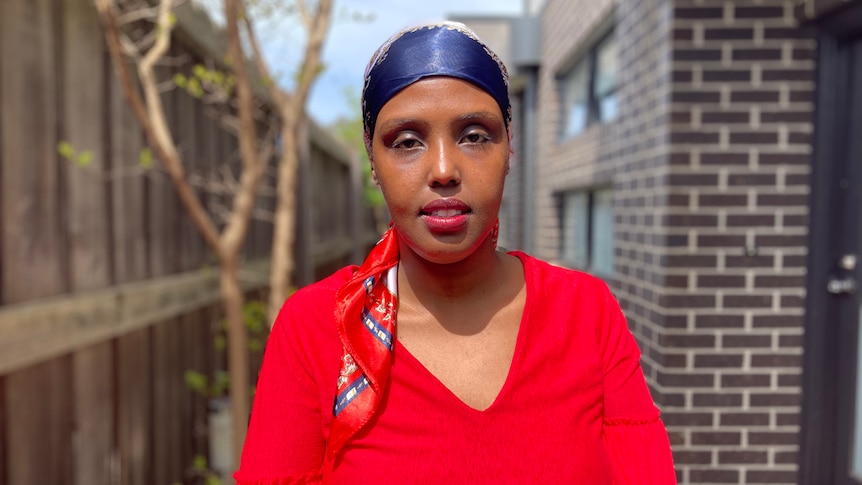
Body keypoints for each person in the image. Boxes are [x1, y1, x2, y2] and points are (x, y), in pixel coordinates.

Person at [234, 21, 676, 484]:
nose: (444, 169)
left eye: (474, 135)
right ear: (373, 163)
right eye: (407, 142)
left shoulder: (586, 312)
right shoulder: (316, 327)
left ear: (510, 150)